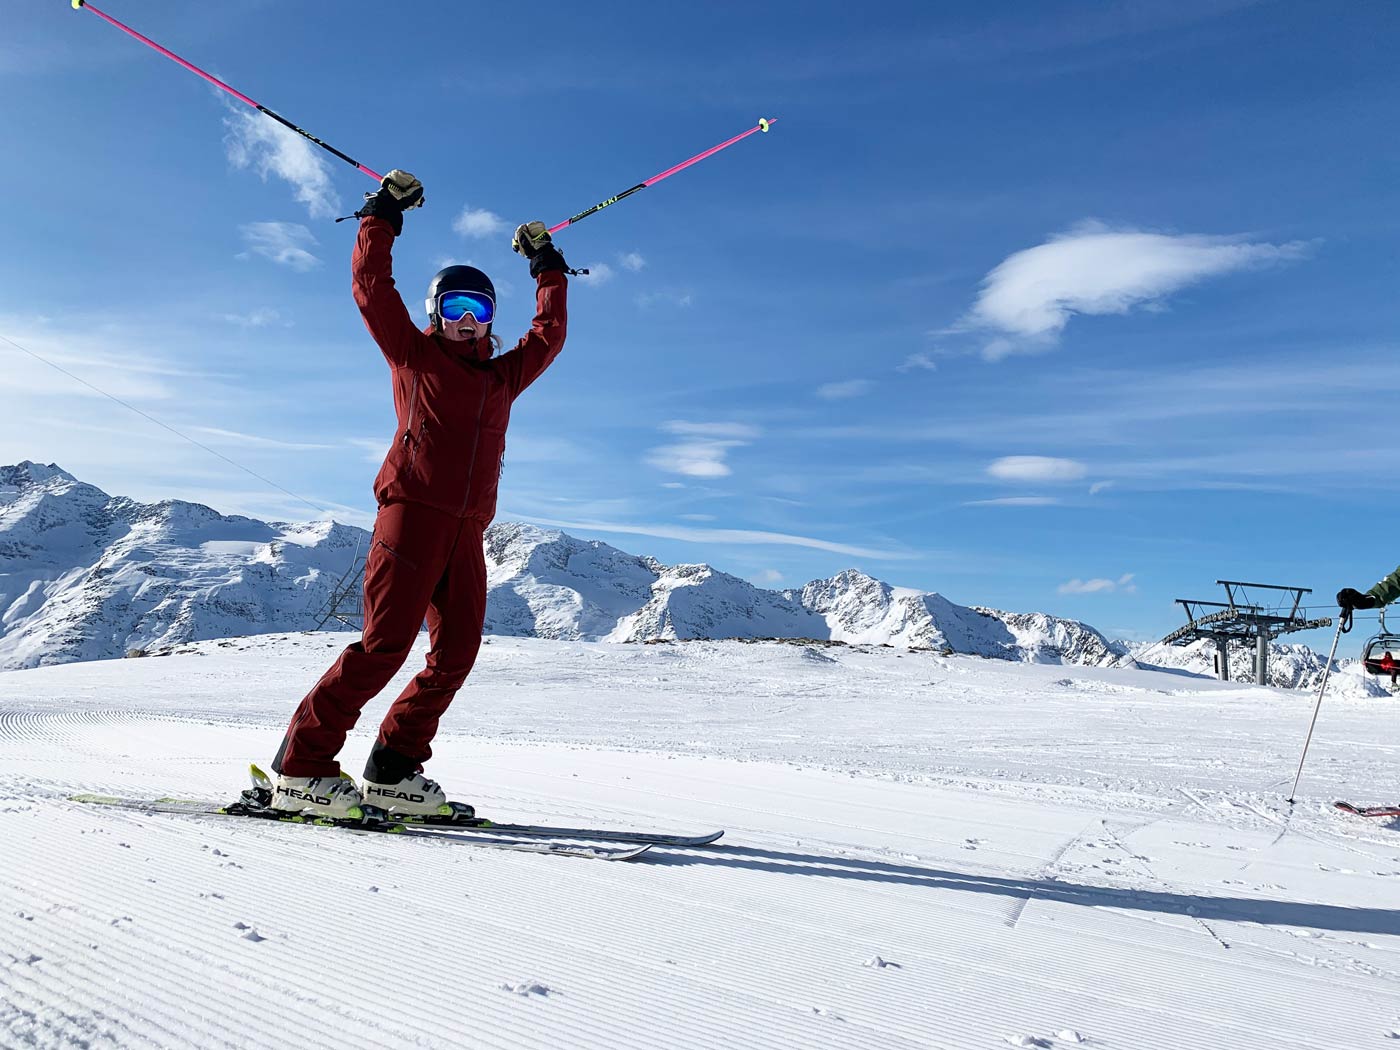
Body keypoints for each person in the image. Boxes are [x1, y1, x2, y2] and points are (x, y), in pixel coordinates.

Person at [267, 170, 572, 819]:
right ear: (436, 315)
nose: (466, 323)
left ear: (491, 320)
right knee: (383, 646)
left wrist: (548, 266)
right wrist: (381, 214)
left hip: (465, 532)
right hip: (410, 518)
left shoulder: (501, 379)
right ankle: (301, 766)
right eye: (454, 309)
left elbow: (548, 336)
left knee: (457, 652)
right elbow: (371, 288)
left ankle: (393, 768)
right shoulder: (413, 357)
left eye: (479, 311)